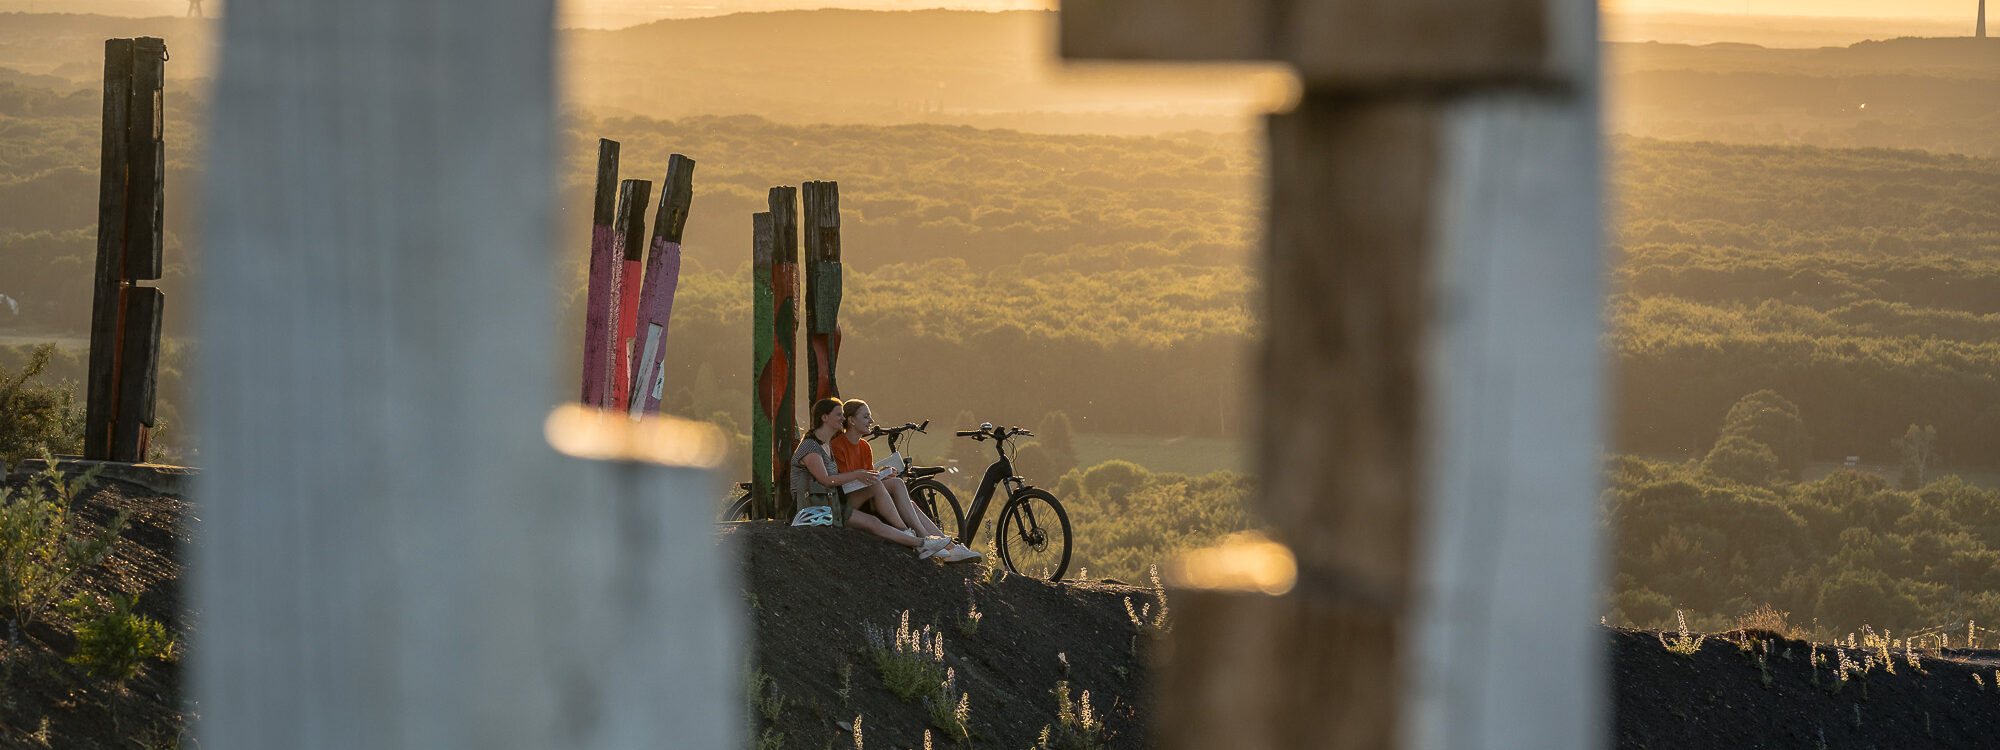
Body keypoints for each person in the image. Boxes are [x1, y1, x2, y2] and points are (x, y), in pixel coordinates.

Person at [791, 397, 958, 561]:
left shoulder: (825, 445)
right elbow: (826, 480)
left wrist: (876, 473)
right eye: (839, 414)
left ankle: (924, 542)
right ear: (824, 417)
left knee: (873, 521)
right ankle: (920, 541)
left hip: (830, 503)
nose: (843, 418)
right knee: (874, 518)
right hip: (813, 508)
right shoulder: (810, 446)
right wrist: (858, 474)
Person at [835, 399, 980, 563]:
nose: (871, 421)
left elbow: (866, 475)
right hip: (850, 501)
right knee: (880, 484)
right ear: (852, 420)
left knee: (900, 487)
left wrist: (881, 474)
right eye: (866, 416)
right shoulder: (838, 445)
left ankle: (951, 547)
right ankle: (916, 536)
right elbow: (846, 483)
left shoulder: (864, 446)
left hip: (867, 494)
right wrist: (874, 477)